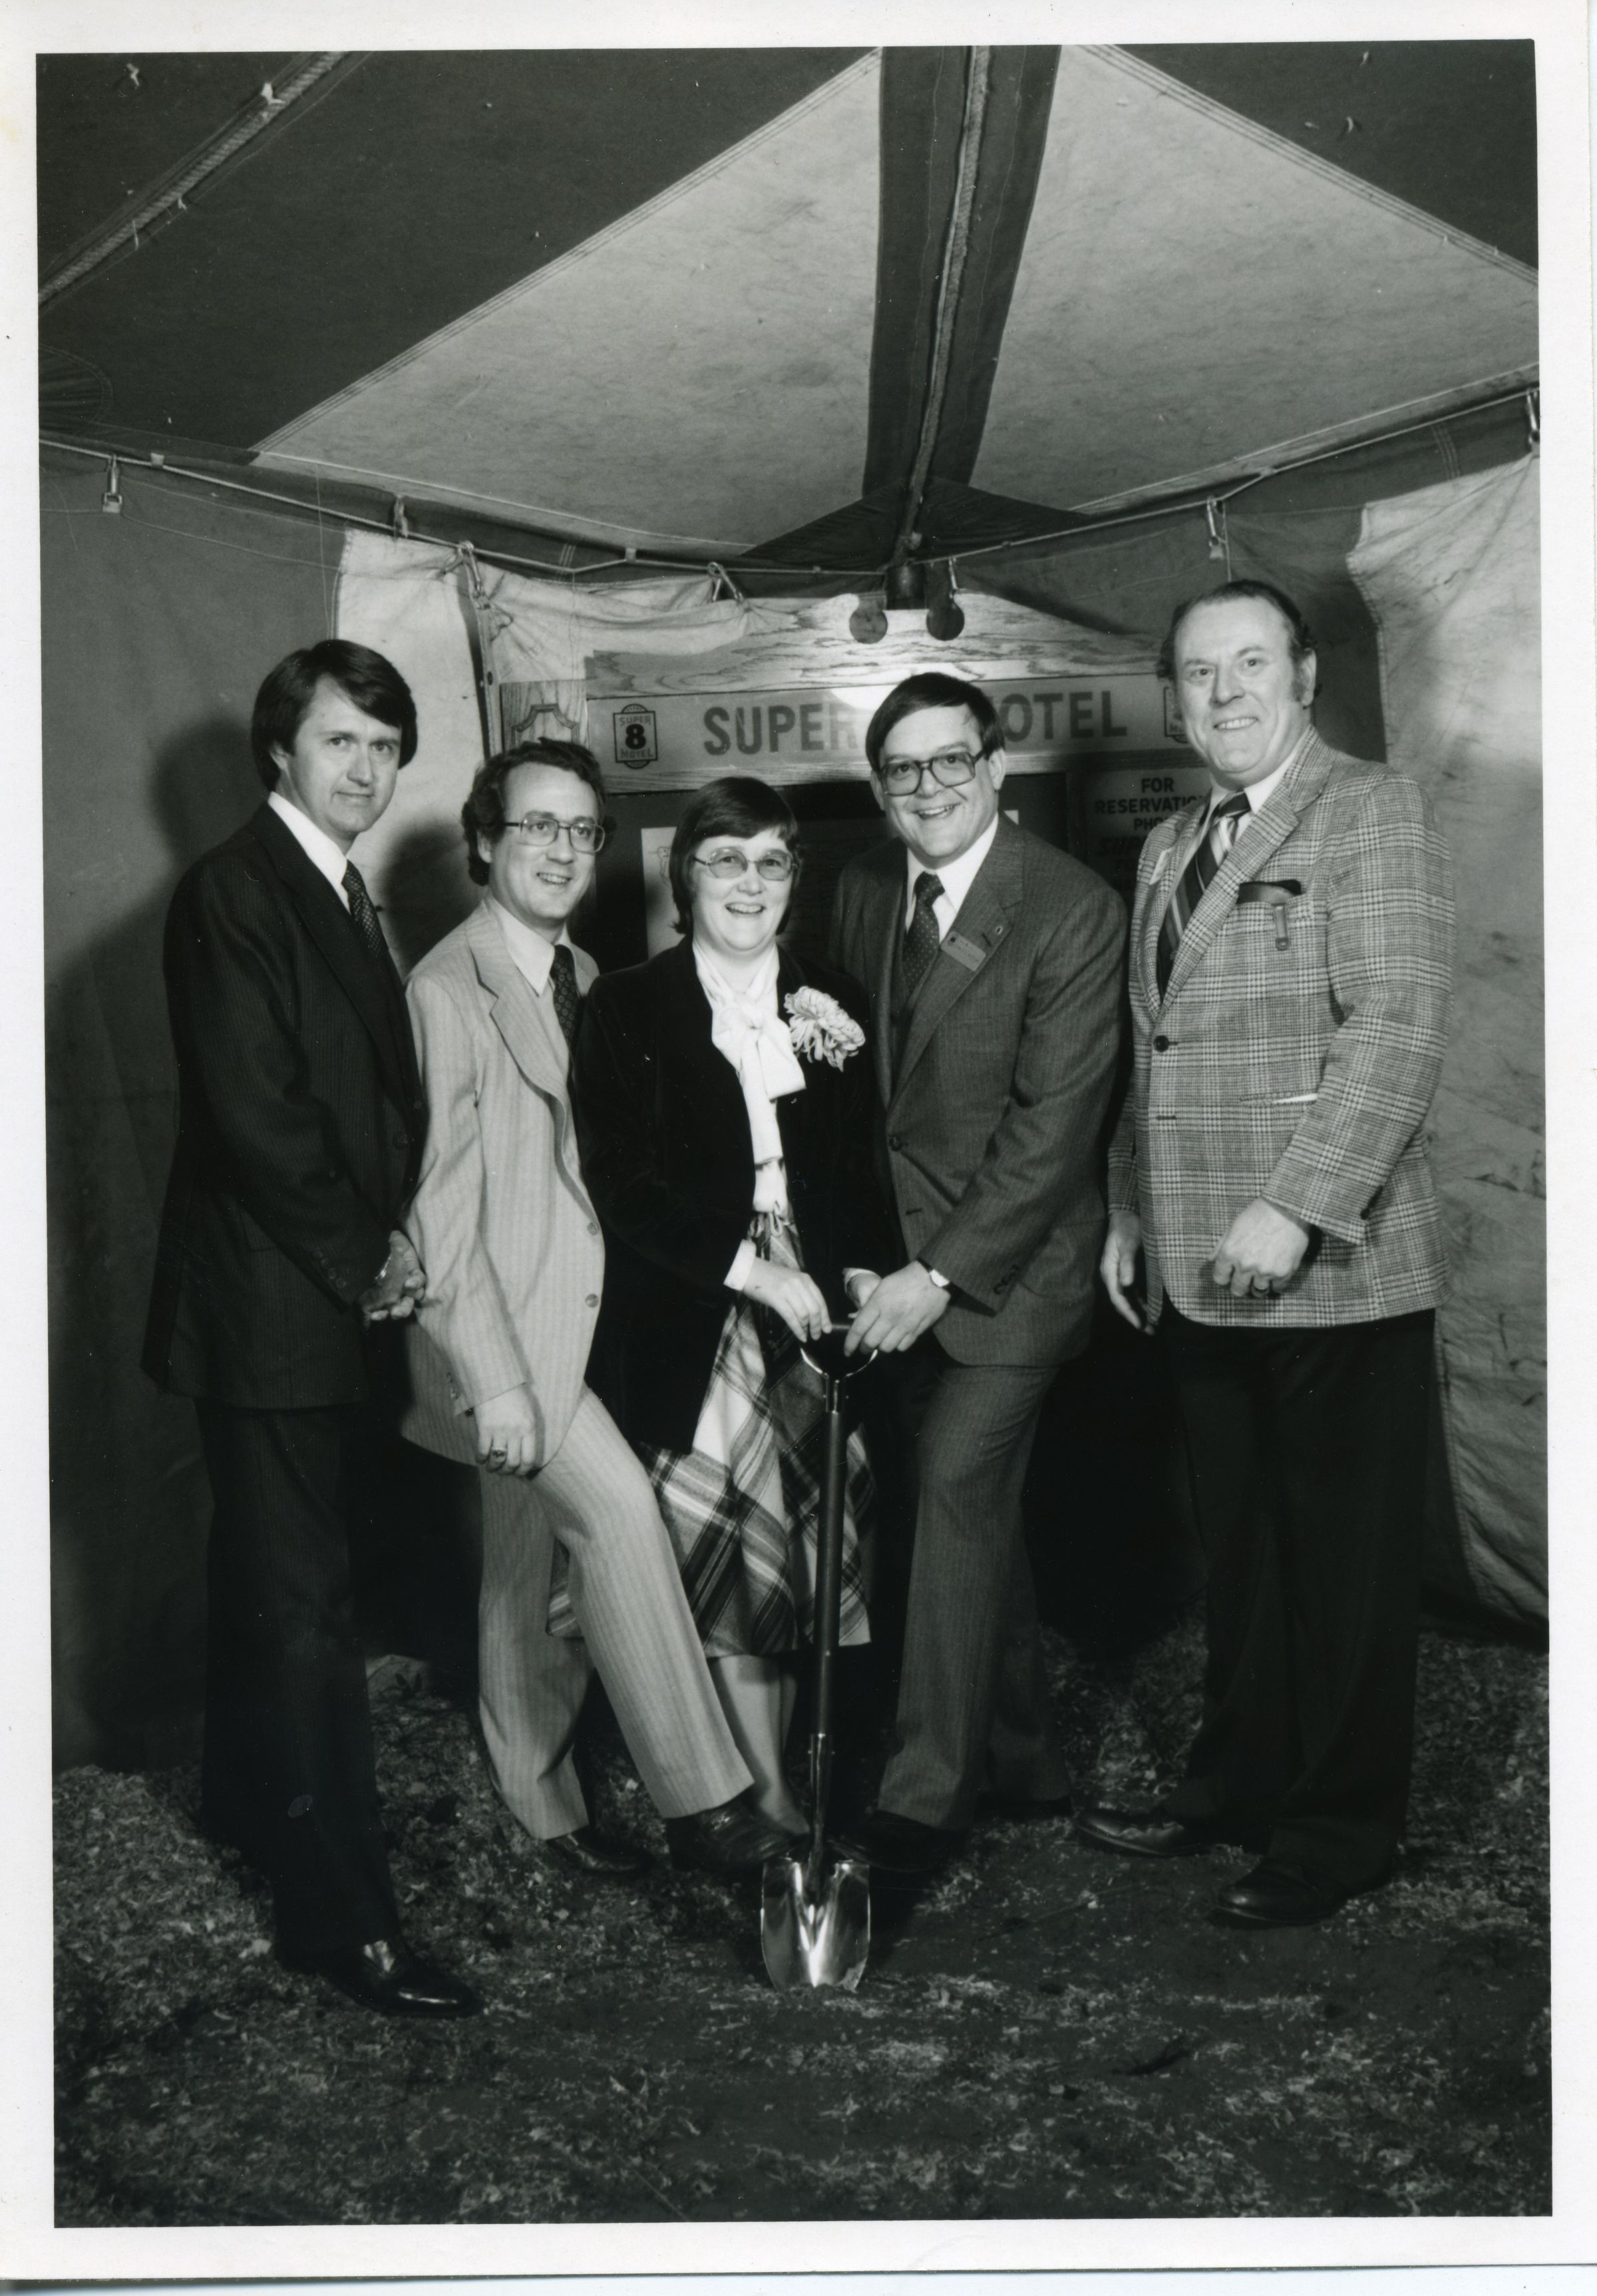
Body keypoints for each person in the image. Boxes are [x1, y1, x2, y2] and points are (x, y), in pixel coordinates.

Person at [1080, 578, 1455, 1928]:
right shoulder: (1169, 843)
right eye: (1200, 672)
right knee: (1240, 1555)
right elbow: (1156, 1051)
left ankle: (1339, 1833)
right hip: (1196, 1263)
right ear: (1175, 699)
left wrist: (1297, 1204)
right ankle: (1240, 1784)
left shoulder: (1372, 809)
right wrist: (1130, 1208)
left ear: (1302, 675)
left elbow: (1398, 1026)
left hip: (1334, 1266)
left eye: (1250, 663)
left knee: (1343, 1566)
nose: (1225, 692)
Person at [142, 639, 477, 2017]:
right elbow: (257, 1115)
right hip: (269, 1305)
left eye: (387, 748)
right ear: (281, 747)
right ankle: (346, 1924)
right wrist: (370, 1256)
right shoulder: (235, 890)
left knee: (270, 1585)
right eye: (343, 741)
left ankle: (250, 1811)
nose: (367, 769)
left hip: (313, 1296)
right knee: (306, 1612)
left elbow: (363, 1101)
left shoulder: (337, 889)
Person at [394, 740, 784, 1879]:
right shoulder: (446, 989)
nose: (562, 850)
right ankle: (708, 1803)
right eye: (537, 827)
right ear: (484, 843)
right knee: (618, 1517)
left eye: (581, 830)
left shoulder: (590, 975)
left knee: (526, 1563)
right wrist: (497, 1382)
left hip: (588, 1328)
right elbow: (438, 1211)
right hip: (502, 1344)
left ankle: (542, 1808)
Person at [828, 671, 1126, 1876]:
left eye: (952, 761)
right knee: (973, 1513)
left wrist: (935, 1278)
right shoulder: (861, 891)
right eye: (903, 769)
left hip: (1013, 1280)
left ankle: (921, 1801)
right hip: (892, 1273)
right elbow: (857, 1097)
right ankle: (1025, 1758)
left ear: (996, 767)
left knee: (952, 1485)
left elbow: (1051, 1136)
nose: (929, 788)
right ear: (880, 788)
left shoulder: (1070, 906)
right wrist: (861, 1259)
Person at [572, 777, 890, 1836]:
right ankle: (768, 1797)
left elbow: (857, 1168)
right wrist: (752, 1270)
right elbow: (622, 1186)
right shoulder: (626, 1005)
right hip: (698, 1307)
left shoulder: (829, 996)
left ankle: (781, 1781)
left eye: (771, 862)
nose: (748, 884)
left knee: (808, 1557)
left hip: (814, 1311)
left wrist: (861, 1271)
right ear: (686, 878)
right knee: (739, 1566)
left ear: (793, 879)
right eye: (725, 861)